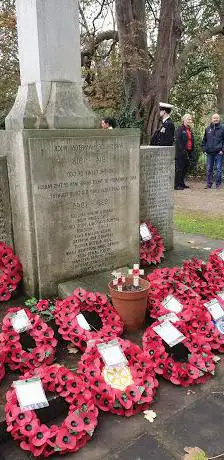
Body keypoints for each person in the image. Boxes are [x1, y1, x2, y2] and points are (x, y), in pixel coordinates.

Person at [201, 113, 224, 189]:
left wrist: (222, 150)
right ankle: (209, 184)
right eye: (214, 118)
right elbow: (204, 140)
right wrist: (204, 149)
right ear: (211, 119)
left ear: (219, 119)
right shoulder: (207, 129)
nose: (215, 119)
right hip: (209, 153)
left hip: (219, 153)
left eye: (217, 118)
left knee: (218, 169)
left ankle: (218, 184)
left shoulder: (222, 128)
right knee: (209, 169)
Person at [175, 114, 195, 190]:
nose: (190, 120)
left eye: (190, 119)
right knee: (179, 168)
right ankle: (176, 185)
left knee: (185, 168)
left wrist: (191, 152)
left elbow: (191, 141)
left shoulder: (189, 129)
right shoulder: (180, 129)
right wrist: (183, 151)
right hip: (180, 153)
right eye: (188, 119)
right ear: (184, 120)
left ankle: (182, 183)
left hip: (188, 152)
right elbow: (178, 142)